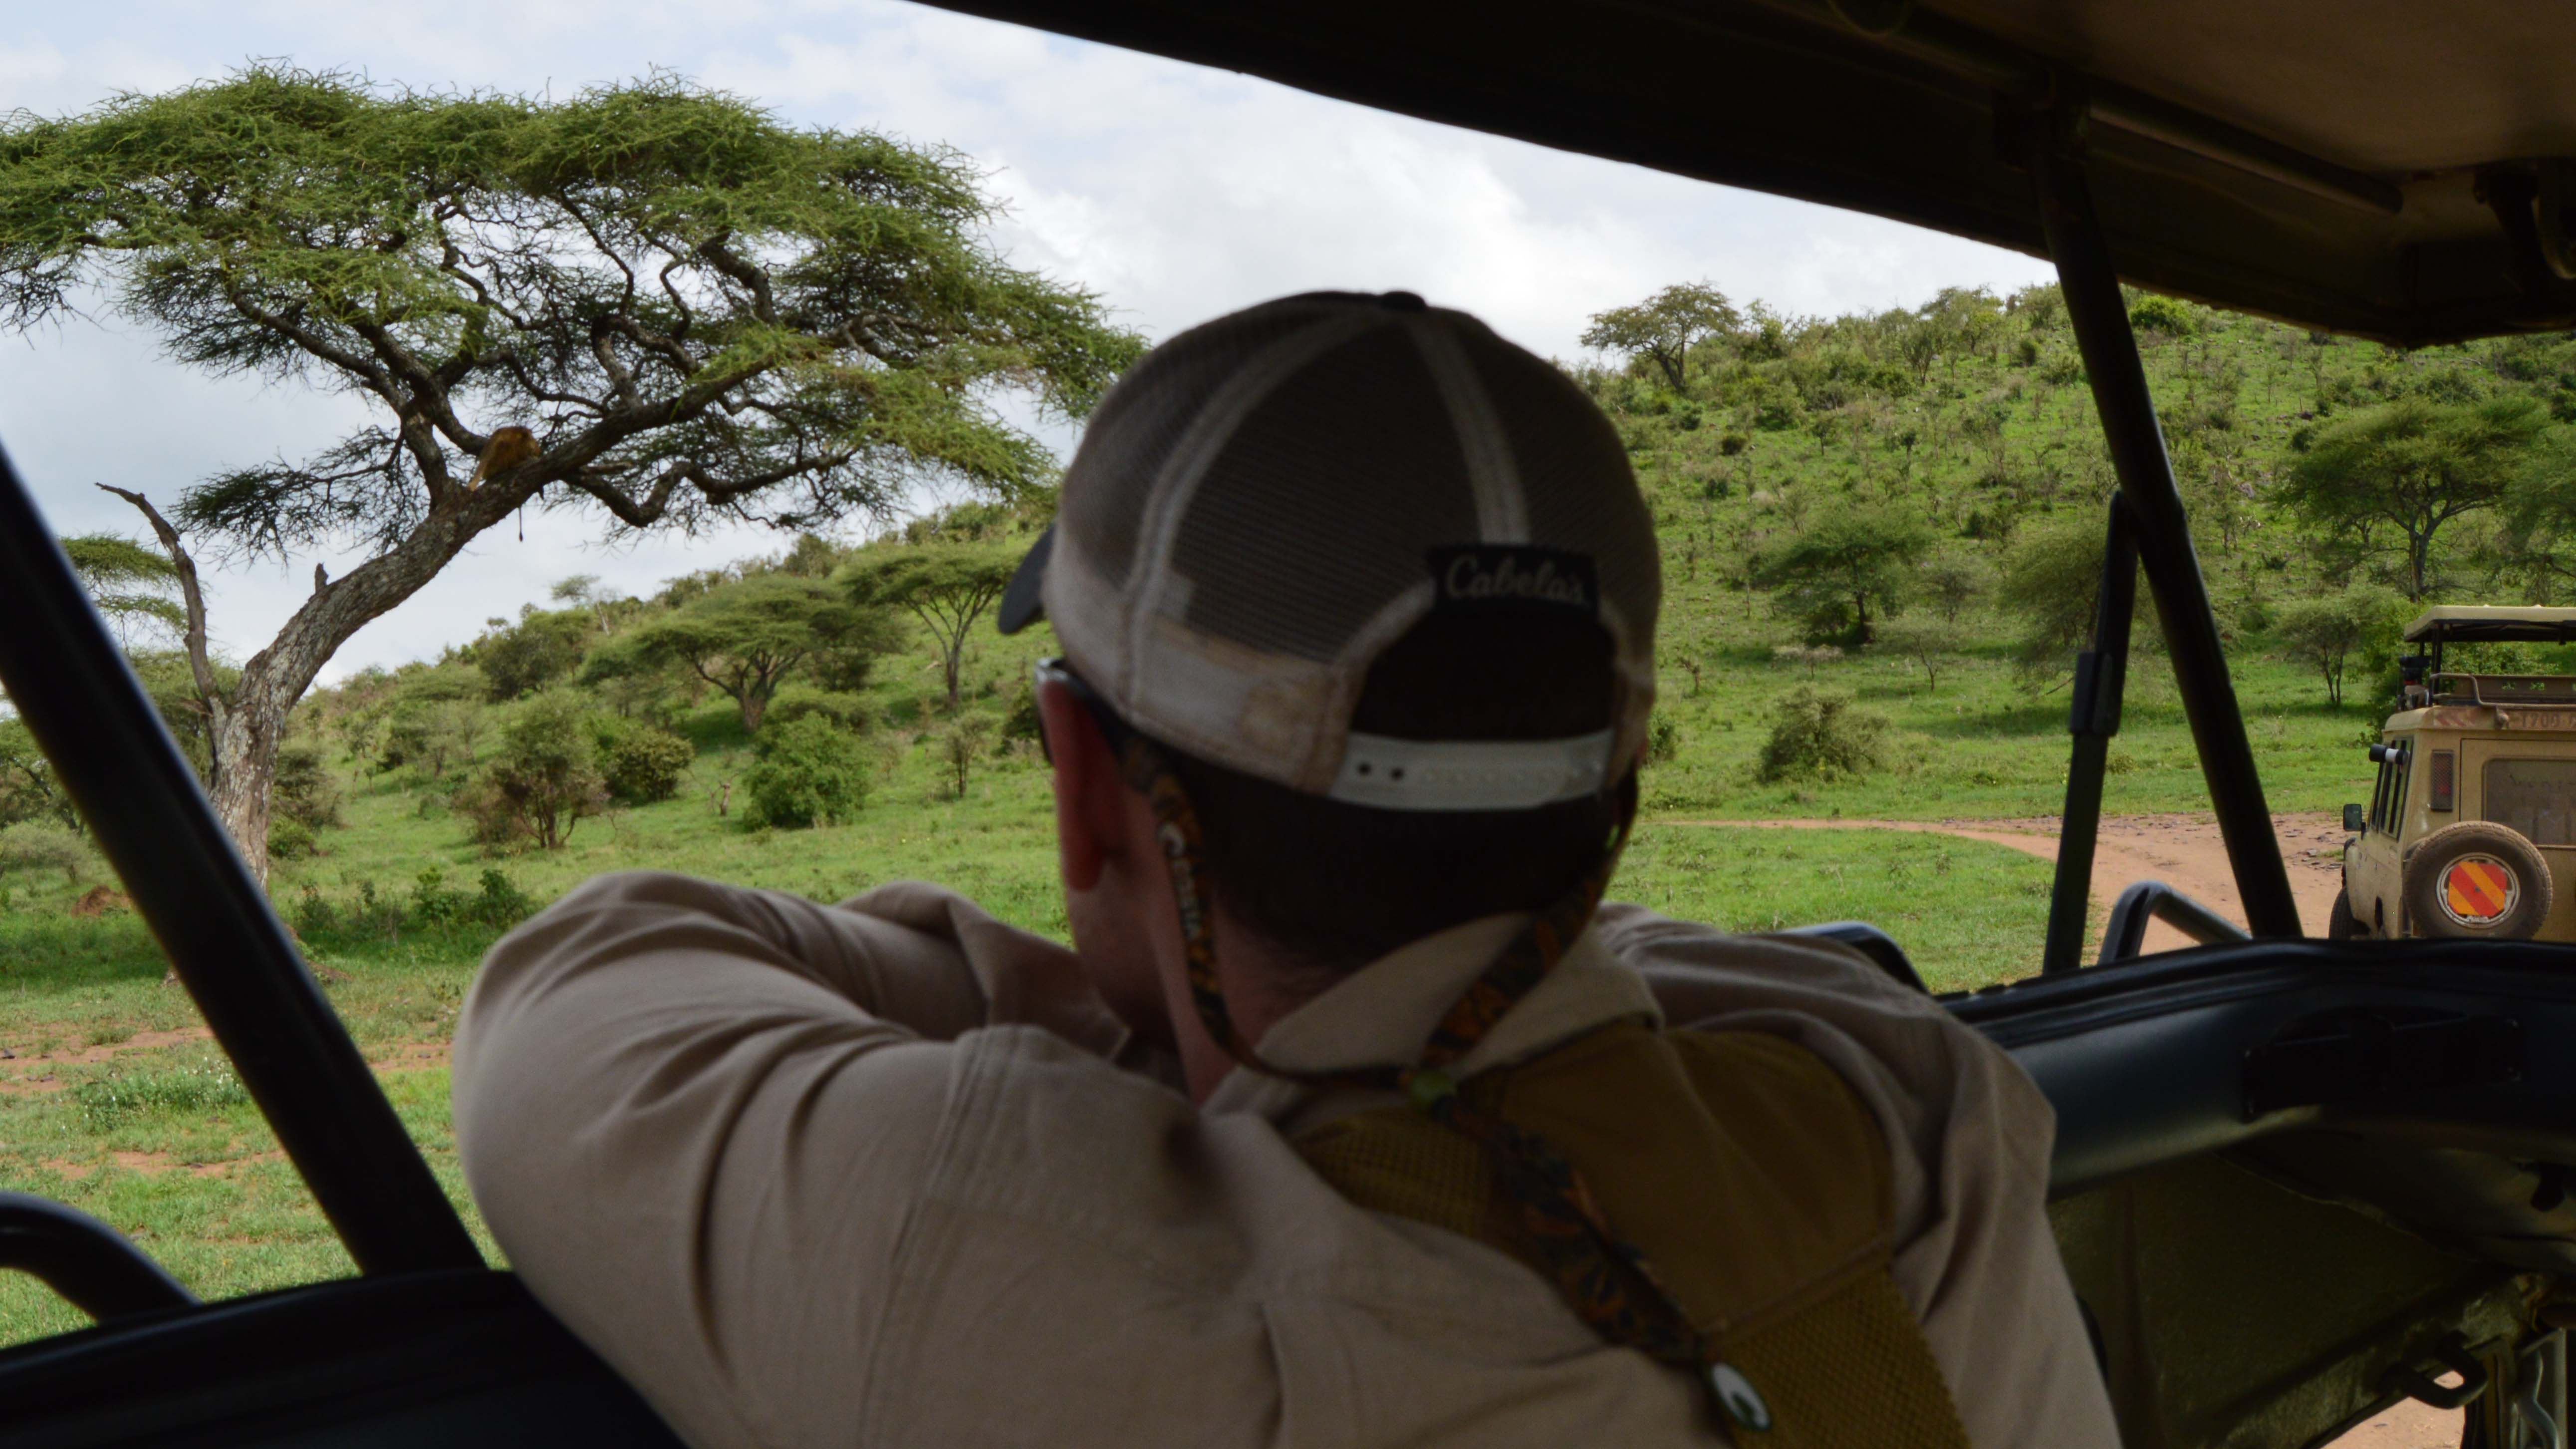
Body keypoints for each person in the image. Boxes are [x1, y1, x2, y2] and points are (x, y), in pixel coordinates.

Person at [453, 291, 2120, 1448]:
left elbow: (580, 976)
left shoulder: (1017, 1264)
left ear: (1087, 792)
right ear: (1618, 787)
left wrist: (1090, 998)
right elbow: (1650, 976)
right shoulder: (1909, 1104)